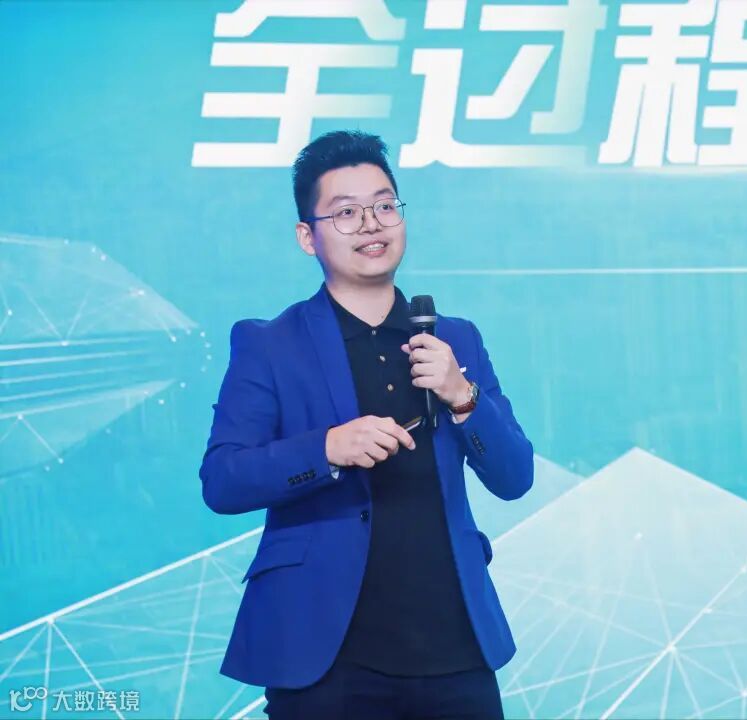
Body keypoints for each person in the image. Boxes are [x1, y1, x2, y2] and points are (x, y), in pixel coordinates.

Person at [198, 130, 534, 720]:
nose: (372, 225)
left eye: (384, 206)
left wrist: (463, 396)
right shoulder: (270, 344)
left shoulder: (454, 339)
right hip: (326, 654)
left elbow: (515, 477)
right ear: (308, 236)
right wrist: (326, 449)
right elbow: (223, 480)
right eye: (347, 213)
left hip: (454, 644)